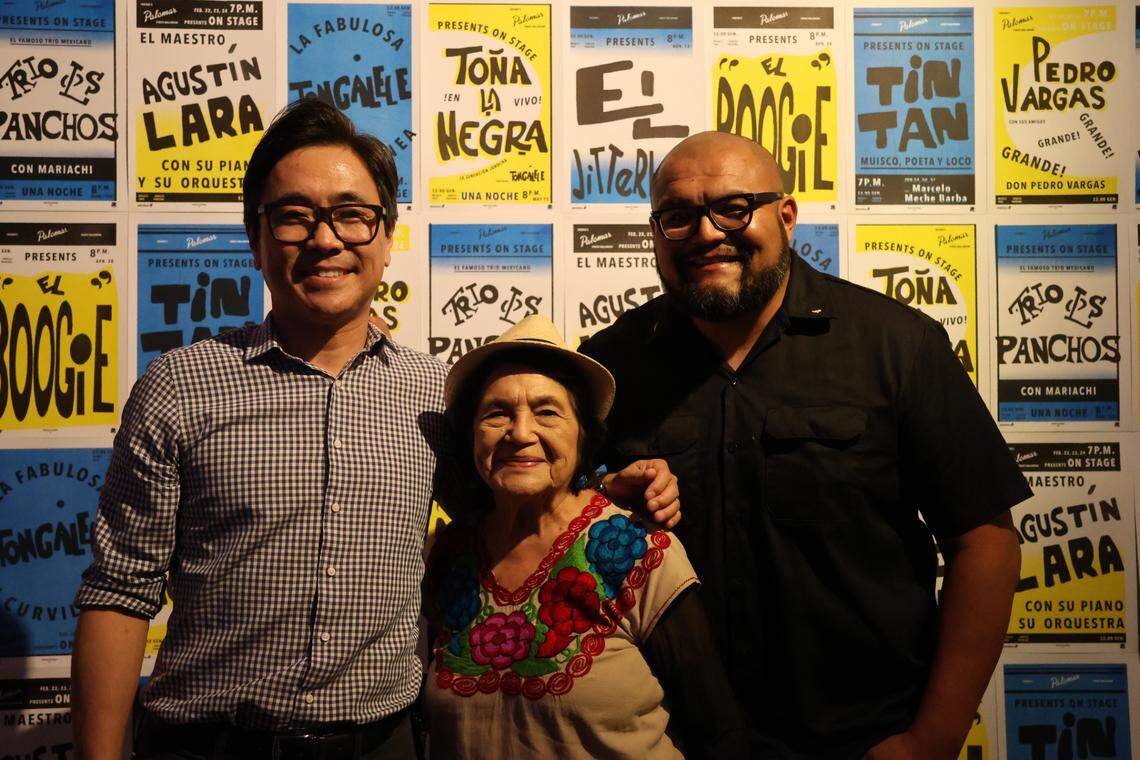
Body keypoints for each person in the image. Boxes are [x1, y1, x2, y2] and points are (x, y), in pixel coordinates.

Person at [69, 99, 679, 760]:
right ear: (255, 238)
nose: (324, 240)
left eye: (351, 215)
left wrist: (598, 495)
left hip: (383, 743)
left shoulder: (437, 396)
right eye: (293, 216)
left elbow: (508, 513)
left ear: (386, 240)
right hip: (205, 744)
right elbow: (119, 591)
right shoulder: (181, 385)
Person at [579, 131, 1030, 759]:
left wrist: (932, 739)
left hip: (857, 740)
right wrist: (600, 492)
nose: (707, 233)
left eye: (734, 208)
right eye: (678, 216)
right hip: (663, 740)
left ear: (786, 216)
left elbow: (984, 540)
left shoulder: (896, 345)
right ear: (656, 233)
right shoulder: (607, 365)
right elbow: (545, 520)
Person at [422, 315, 761, 759]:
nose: (520, 433)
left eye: (547, 412)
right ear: (471, 435)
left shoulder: (637, 550)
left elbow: (717, 731)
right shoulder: (449, 554)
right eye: (497, 413)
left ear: (583, 435)